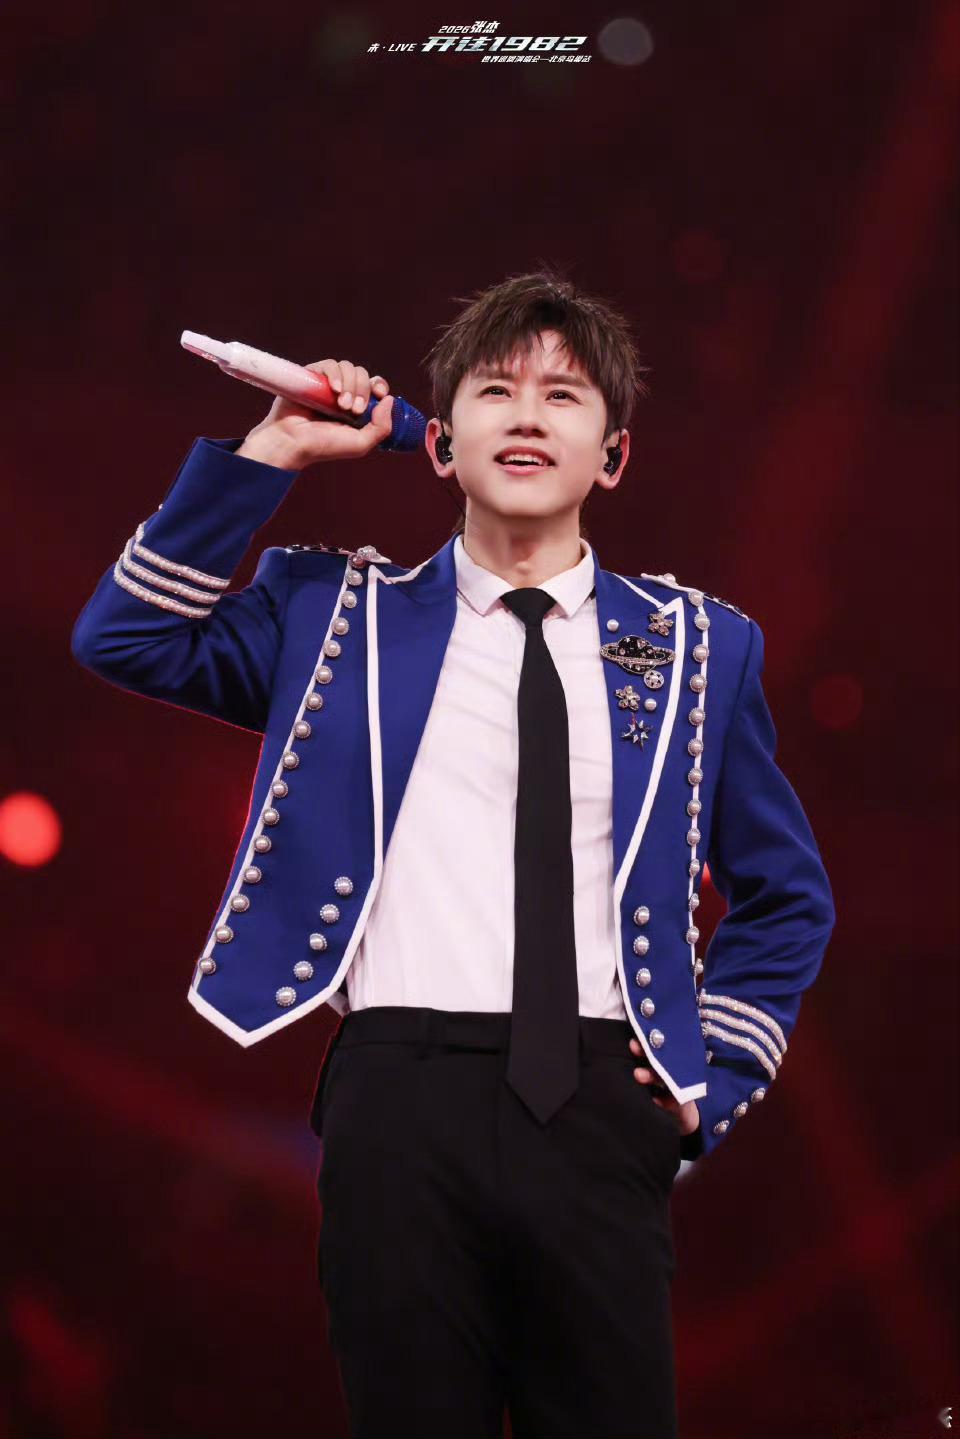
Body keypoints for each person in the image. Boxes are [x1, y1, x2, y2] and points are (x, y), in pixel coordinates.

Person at [71, 269, 835, 1438]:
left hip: (602, 1096)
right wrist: (272, 452)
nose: (527, 416)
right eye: (493, 390)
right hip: (398, 1097)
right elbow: (125, 636)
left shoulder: (693, 648)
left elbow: (787, 894)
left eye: (564, 396)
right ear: (439, 444)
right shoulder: (336, 615)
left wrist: (712, 1078)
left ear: (613, 455)